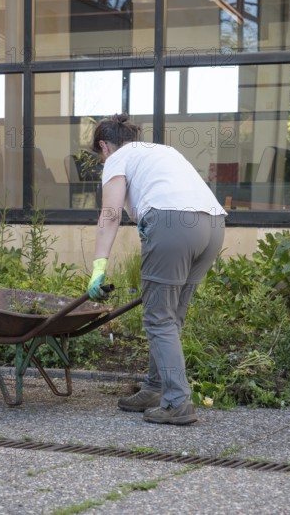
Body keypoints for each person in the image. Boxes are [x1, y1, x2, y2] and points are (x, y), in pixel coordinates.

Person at [87, 113, 227, 425]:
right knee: (171, 315)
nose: (101, 161)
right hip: (213, 225)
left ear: (104, 147)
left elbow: (110, 215)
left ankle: (177, 401)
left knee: (158, 316)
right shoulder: (159, 151)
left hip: (173, 224)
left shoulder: (116, 158)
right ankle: (155, 387)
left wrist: (98, 268)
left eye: (99, 156)